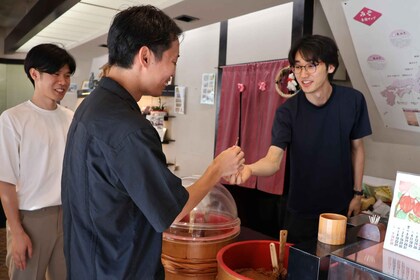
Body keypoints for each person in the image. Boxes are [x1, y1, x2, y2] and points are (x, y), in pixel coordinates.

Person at [61, 5, 244, 279]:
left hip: (88, 262)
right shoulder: (128, 127)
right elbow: (172, 211)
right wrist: (217, 169)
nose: (172, 71)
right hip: (120, 269)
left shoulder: (91, 107)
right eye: (173, 60)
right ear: (145, 56)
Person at [236, 34, 372, 244]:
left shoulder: (353, 101)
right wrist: (250, 169)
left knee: (335, 269)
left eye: (311, 66)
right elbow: (273, 160)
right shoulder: (287, 112)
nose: (303, 74)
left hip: (341, 207)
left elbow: (358, 148)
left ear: (330, 67)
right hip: (301, 210)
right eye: (298, 67)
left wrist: (357, 194)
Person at [0, 44, 76, 280]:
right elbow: (5, 183)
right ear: (34, 74)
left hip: (68, 216)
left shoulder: (71, 118)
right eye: (55, 74)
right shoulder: (13, 119)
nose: (62, 81)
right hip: (29, 218)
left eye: (67, 75)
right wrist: (17, 231)